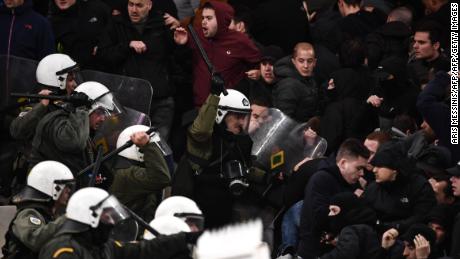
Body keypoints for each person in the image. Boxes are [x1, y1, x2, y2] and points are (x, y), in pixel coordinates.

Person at [171, 89, 253, 229]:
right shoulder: (205, 141)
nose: (241, 122)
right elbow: (200, 131)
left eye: (244, 116)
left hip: (223, 215)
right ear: (221, 114)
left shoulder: (239, 141)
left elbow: (243, 167)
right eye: (237, 116)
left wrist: (266, 177)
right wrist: (214, 97)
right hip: (195, 212)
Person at [38, 187, 195, 259]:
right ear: (90, 217)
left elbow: (143, 249)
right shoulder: (63, 251)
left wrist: (185, 238)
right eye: (107, 217)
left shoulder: (104, 246)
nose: (112, 222)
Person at [97, 0, 176, 140]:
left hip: (160, 99)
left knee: (159, 146)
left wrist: (181, 41)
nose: (134, 10)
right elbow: (103, 55)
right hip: (129, 100)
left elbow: (176, 57)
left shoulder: (162, 23)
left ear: (149, 5)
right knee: (128, 146)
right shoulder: (116, 24)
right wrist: (127, 46)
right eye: (131, 4)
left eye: (139, 5)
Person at [173, 1, 261, 107]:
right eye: (203, 18)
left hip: (228, 107)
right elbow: (181, 62)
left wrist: (257, 72)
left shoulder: (239, 41)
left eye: (209, 18)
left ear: (221, 19)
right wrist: (182, 44)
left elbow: (257, 62)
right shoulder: (196, 36)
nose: (203, 22)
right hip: (201, 105)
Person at [29, 81, 120, 179]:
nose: (103, 118)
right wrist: (81, 108)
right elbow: (74, 143)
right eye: (100, 112)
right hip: (45, 187)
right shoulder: (57, 122)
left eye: (105, 114)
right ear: (87, 109)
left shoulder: (82, 127)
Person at [297, 138, 370, 259]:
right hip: (314, 253)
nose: (362, 173)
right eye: (359, 168)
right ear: (343, 163)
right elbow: (319, 218)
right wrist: (351, 199)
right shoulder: (321, 179)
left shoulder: (354, 184)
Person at [3, 161, 75, 259]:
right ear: (52, 188)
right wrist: (68, 219)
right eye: (65, 187)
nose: (68, 191)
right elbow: (35, 240)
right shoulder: (28, 214)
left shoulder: (53, 215)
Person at [363, 141, 436, 234]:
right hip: (377, 235)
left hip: (410, 237)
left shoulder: (419, 186)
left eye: (379, 166)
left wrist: (395, 227)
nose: (374, 170)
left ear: (394, 169)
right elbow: (366, 216)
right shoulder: (373, 188)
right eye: (375, 166)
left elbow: (421, 217)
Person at [10, 53, 79, 141]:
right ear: (57, 80)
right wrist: (42, 106)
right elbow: (16, 131)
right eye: (70, 79)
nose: (75, 84)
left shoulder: (68, 102)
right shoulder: (37, 105)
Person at [110, 125, 171, 222]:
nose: (158, 152)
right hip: (131, 230)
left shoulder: (127, 169)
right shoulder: (126, 175)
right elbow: (161, 178)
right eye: (154, 147)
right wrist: (147, 146)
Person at [48, 0, 112, 71]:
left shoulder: (98, 9)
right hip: (68, 75)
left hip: (104, 74)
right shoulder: (49, 23)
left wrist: (103, 45)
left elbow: (116, 33)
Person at [319, 192, 383, 259]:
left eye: (334, 210)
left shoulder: (350, 230)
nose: (330, 214)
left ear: (346, 210)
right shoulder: (366, 226)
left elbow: (344, 254)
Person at [273, 42, 318, 123]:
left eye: (309, 61)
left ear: (314, 62)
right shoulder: (289, 85)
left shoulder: (308, 79)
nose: (306, 66)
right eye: (301, 61)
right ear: (293, 61)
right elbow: (283, 121)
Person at [407, 21, 449, 90]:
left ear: (436, 45)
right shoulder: (411, 66)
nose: (415, 46)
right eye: (415, 41)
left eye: (421, 42)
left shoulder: (449, 68)